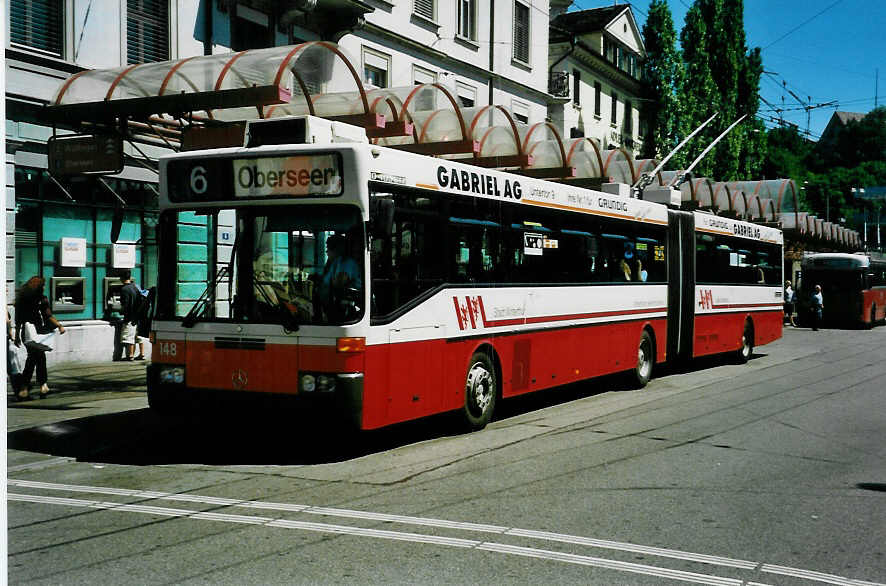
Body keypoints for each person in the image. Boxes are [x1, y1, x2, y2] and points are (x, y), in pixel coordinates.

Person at [14, 276, 66, 400]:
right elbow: (48, 316)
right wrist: (59, 325)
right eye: (43, 285)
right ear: (39, 287)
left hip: (26, 333)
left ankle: (33, 387)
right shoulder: (42, 300)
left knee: (34, 357)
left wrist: (16, 336)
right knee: (37, 358)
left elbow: (18, 320)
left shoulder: (21, 299)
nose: (44, 287)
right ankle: (32, 387)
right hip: (38, 332)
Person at [315, 235, 362, 318]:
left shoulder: (347, 263)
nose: (326, 251)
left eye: (329, 248)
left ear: (337, 250)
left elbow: (339, 283)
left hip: (346, 308)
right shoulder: (335, 263)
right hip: (331, 305)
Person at [119, 270, 147, 360]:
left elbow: (125, 305)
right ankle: (142, 354)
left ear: (121, 278)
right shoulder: (136, 287)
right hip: (139, 317)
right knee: (139, 337)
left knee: (129, 337)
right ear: (130, 278)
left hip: (130, 317)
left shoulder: (124, 289)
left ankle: (130, 355)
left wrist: (122, 311)